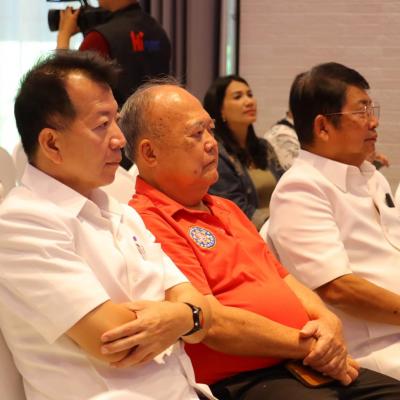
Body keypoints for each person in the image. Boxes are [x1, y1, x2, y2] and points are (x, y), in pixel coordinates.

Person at [104, 78, 400, 400]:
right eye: (196, 134)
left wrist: (328, 323)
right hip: (244, 379)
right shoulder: (146, 219)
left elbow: (286, 279)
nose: (211, 143)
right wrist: (309, 344)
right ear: (150, 153)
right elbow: (211, 321)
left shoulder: (225, 208)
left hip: (304, 361)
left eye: (210, 130)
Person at [0, 50, 214, 400]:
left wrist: (181, 316)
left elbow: (202, 310)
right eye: (102, 125)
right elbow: (115, 341)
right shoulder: (22, 222)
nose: (119, 139)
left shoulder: (119, 211)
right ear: (52, 143)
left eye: (116, 120)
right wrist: (185, 317)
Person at [268, 62, 400, 380]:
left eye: (371, 109)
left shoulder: (371, 176)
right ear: (323, 127)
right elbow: (339, 289)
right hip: (373, 351)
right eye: (361, 111)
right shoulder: (300, 188)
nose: (374, 121)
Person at [57, 0, 171, 169]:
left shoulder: (99, 38)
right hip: (155, 137)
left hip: (114, 143)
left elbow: (69, 87)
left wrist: (63, 36)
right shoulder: (158, 33)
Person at [203, 75, 284, 228]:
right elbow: (234, 207)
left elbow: (285, 187)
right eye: (238, 97)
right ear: (221, 110)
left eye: (250, 94)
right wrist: (277, 226)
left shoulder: (264, 146)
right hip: (252, 230)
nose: (249, 102)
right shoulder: (216, 153)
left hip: (280, 225)